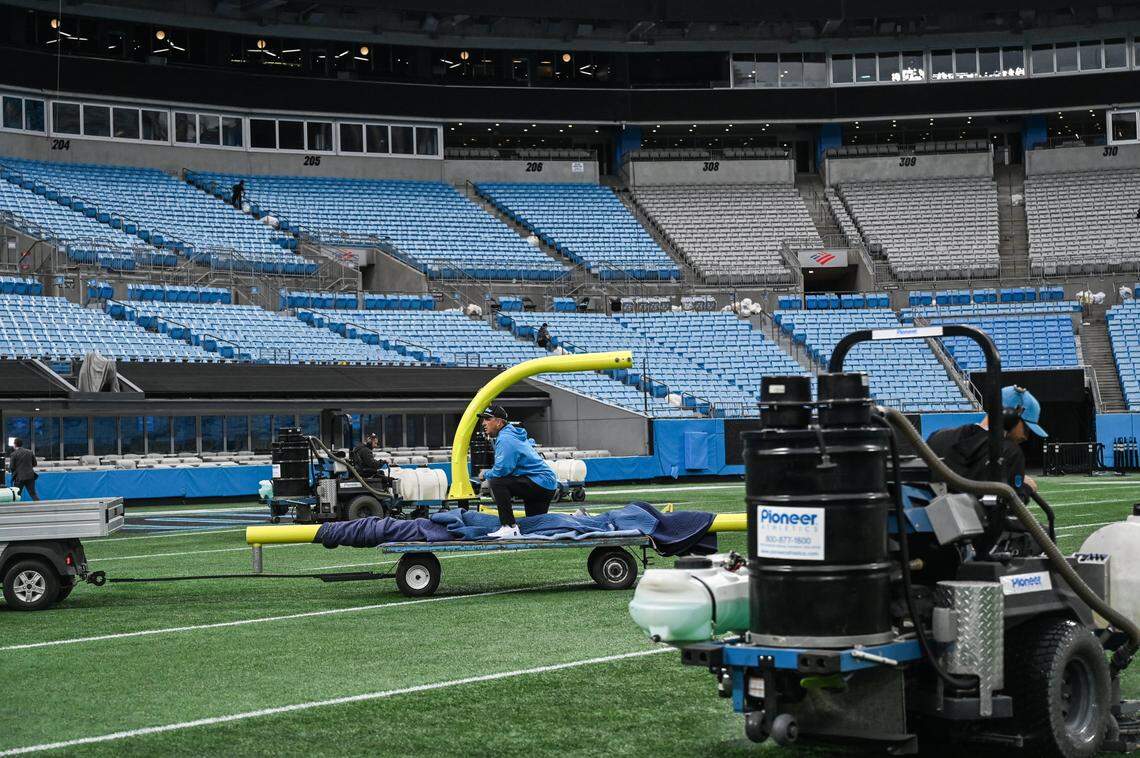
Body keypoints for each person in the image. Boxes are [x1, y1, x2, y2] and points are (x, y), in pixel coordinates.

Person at [926, 385, 1046, 500]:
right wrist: (1026, 488)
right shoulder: (1009, 452)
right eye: (1026, 429)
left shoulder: (938, 437)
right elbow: (1010, 507)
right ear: (1012, 415)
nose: (1026, 437)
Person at [479, 405, 557, 539]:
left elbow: (502, 470)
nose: (483, 423)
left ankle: (509, 527)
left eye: (487, 419)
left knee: (497, 482)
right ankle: (577, 519)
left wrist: (485, 474)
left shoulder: (505, 438)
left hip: (539, 482)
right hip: (545, 484)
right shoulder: (511, 434)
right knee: (536, 527)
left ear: (499, 422)